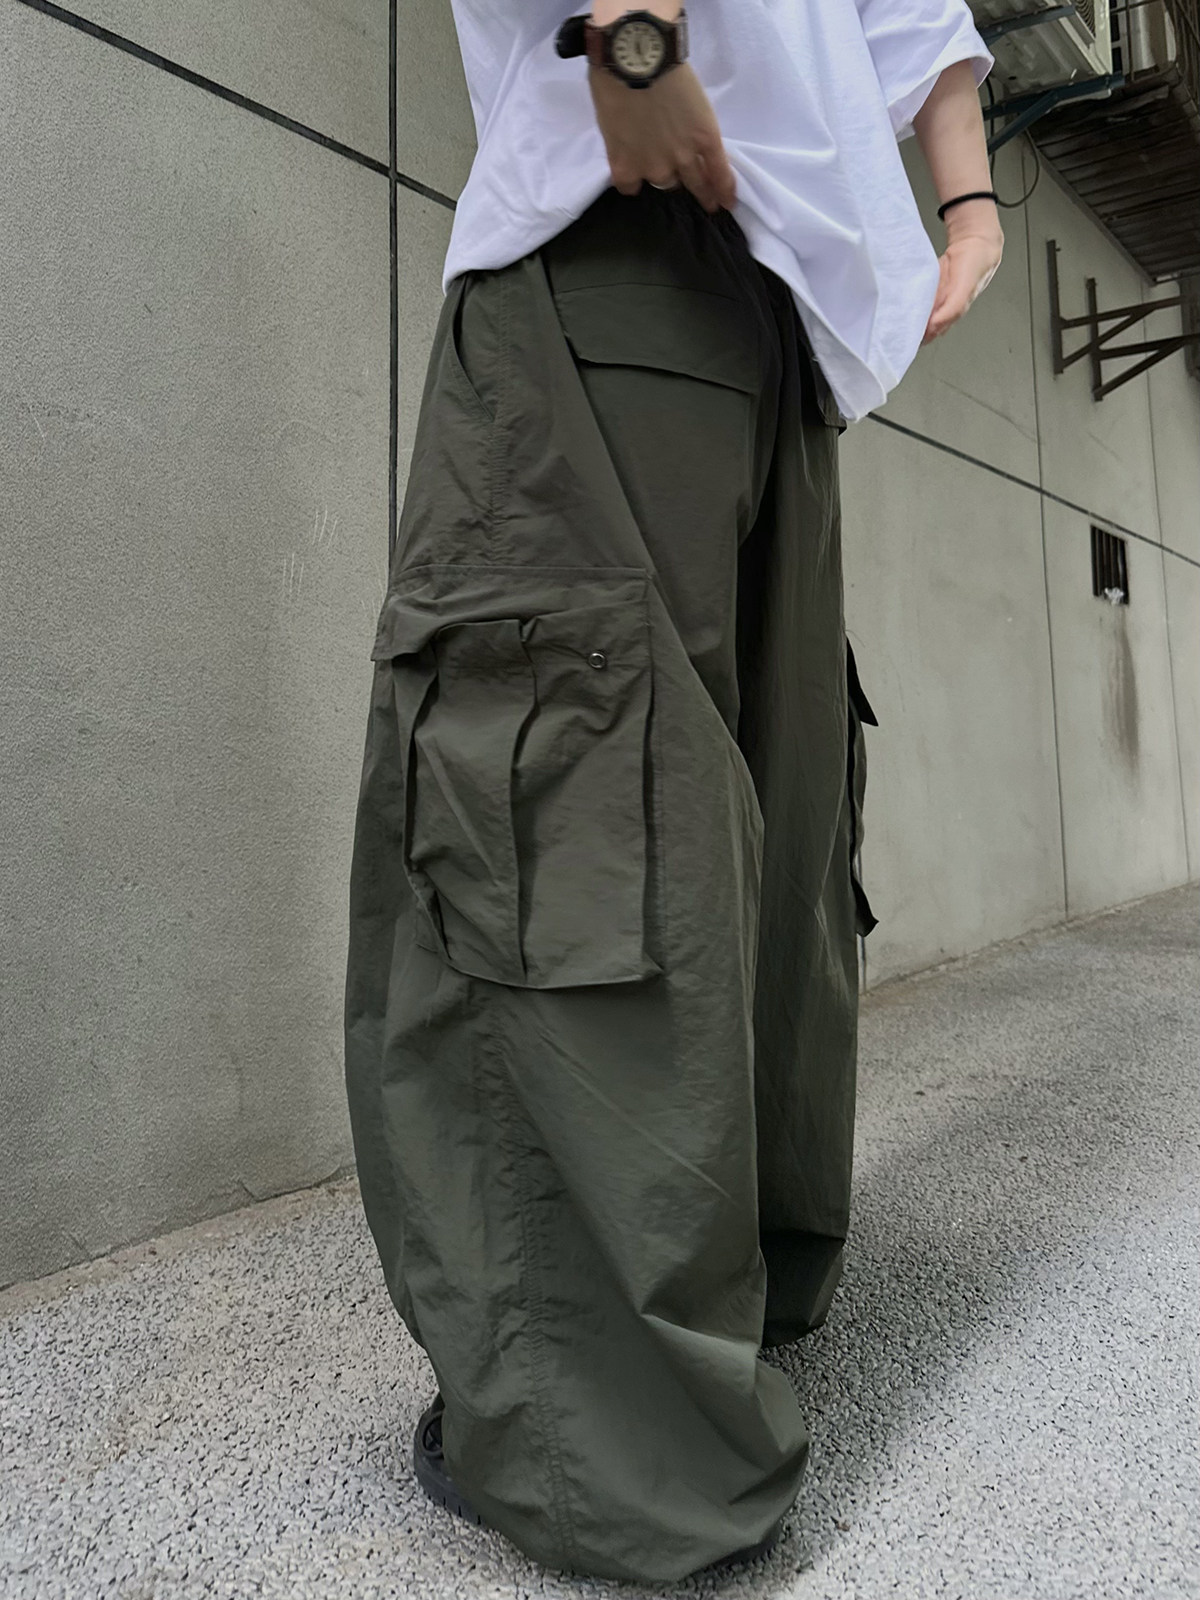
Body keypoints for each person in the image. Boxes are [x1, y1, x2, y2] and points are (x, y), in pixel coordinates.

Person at [343, 0, 1003, 1582]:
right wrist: (968, 197)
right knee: (741, 813)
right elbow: (918, 19)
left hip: (618, 212)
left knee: (569, 807)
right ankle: (750, 1292)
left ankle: (617, 1454)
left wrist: (629, 34)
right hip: (784, 327)